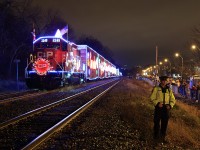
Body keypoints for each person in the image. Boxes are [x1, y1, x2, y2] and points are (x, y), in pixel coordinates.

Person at [150, 76, 176, 143]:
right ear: (160, 81)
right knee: (156, 123)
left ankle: (162, 137)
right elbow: (152, 98)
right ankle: (155, 136)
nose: (164, 82)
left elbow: (173, 99)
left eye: (165, 80)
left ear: (167, 81)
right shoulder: (156, 88)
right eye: (163, 80)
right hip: (158, 108)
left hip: (166, 109)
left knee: (164, 124)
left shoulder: (169, 90)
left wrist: (170, 105)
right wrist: (157, 103)